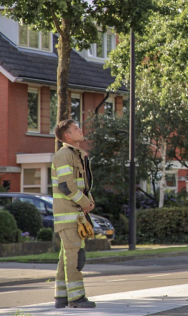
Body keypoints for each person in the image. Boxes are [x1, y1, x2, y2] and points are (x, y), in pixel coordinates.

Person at [52, 119, 96, 308]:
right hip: (69, 215)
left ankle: (61, 297)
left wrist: (89, 201)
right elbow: (65, 185)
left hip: (74, 215)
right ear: (67, 135)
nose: (81, 130)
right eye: (76, 128)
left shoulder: (75, 155)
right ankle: (76, 298)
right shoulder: (64, 155)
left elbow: (81, 185)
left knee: (67, 256)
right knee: (75, 256)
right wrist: (85, 203)